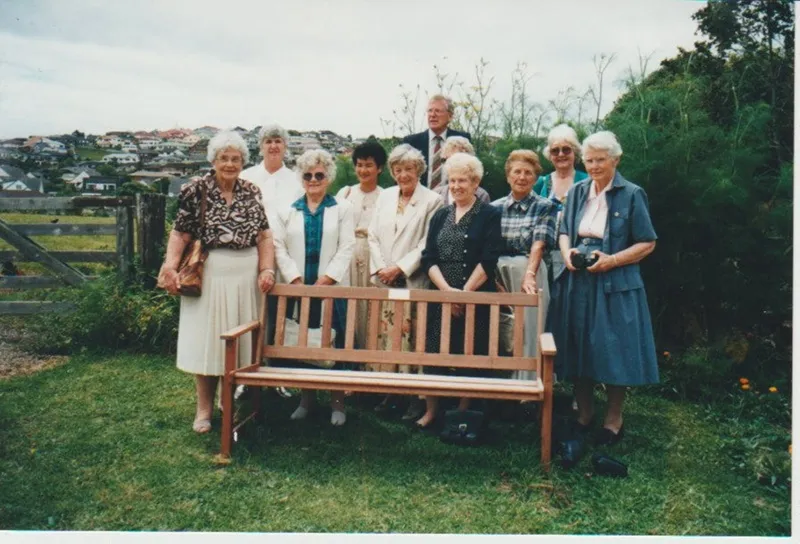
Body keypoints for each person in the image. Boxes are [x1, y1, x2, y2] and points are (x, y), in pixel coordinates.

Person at [547, 130, 658, 452]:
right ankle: (584, 414)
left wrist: (612, 260)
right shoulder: (578, 191)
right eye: (589, 160)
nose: (594, 166)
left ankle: (613, 420)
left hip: (614, 282)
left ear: (615, 160)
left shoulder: (632, 194)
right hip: (578, 280)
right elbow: (564, 231)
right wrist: (567, 252)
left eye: (600, 160)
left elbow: (647, 242)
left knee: (613, 349)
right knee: (577, 345)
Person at [158, 131, 275, 434]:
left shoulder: (252, 191)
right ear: (213, 160)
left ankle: (229, 403)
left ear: (243, 162)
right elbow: (180, 233)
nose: (230, 164)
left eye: (236, 159)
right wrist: (170, 266)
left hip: (245, 278)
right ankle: (204, 410)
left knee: (239, 345)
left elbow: (264, 236)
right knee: (207, 343)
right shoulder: (195, 189)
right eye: (224, 158)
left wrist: (266, 269)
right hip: (208, 276)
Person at [417, 152, 503, 428]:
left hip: (475, 295)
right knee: (433, 353)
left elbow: (489, 260)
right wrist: (447, 293)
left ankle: (462, 411)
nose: (456, 186)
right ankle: (432, 410)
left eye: (462, 180)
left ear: (475, 182)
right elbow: (428, 258)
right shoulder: (441, 215)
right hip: (441, 294)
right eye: (452, 181)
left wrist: (463, 294)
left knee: (471, 353)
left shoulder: (490, 215)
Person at [271, 149, 355, 426]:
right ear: (301, 178)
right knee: (303, 342)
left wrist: (327, 279)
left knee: (333, 344)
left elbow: (347, 246)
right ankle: (306, 400)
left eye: (319, 175)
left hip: (330, 288)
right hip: (300, 289)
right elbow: (278, 246)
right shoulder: (288, 210)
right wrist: (295, 279)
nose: (313, 180)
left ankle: (337, 402)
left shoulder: (342, 208)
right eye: (307, 175)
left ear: (328, 177)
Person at [367, 143, 444, 420]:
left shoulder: (432, 200)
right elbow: (373, 235)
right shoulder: (385, 196)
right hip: (385, 281)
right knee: (388, 338)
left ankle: (415, 397)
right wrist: (382, 269)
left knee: (413, 339)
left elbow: (428, 243)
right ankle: (391, 392)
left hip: (412, 280)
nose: (403, 175)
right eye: (398, 170)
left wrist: (400, 268)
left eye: (409, 169)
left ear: (419, 170)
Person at [492, 150, 558, 379]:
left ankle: (530, 382)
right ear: (508, 176)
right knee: (502, 327)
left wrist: (529, 274)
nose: (522, 177)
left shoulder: (545, 206)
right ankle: (502, 385)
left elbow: (539, 244)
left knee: (530, 328)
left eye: (528, 173)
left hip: (529, 270)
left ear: (535, 177)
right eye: (517, 172)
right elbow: (487, 247)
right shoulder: (494, 207)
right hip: (498, 273)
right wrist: (493, 281)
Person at [336, 141, 386, 349]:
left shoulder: (386, 196)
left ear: (379, 168)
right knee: (348, 302)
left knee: (371, 303)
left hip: (372, 255)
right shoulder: (345, 193)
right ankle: (346, 353)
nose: (363, 170)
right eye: (359, 165)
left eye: (369, 165)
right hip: (347, 254)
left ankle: (370, 353)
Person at [532, 124, 589, 285]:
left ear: (575, 152)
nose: (561, 154)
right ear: (549, 155)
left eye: (566, 149)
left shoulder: (587, 181)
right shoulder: (541, 183)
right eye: (555, 151)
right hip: (543, 255)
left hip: (575, 253)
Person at [240, 123, 304, 244]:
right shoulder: (245, 178)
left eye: (278, 141)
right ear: (261, 147)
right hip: (252, 247)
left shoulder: (298, 181)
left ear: (285, 146)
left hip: (288, 247)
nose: (273, 146)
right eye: (268, 141)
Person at [402, 94, 471, 189]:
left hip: (453, 194)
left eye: (437, 111)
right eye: (430, 111)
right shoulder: (411, 142)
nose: (432, 115)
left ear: (450, 116)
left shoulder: (461, 140)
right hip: (420, 196)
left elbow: (471, 171)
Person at [431, 136, 491, 205]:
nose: (447, 164)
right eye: (444, 160)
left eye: (454, 159)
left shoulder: (481, 195)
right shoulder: (436, 193)